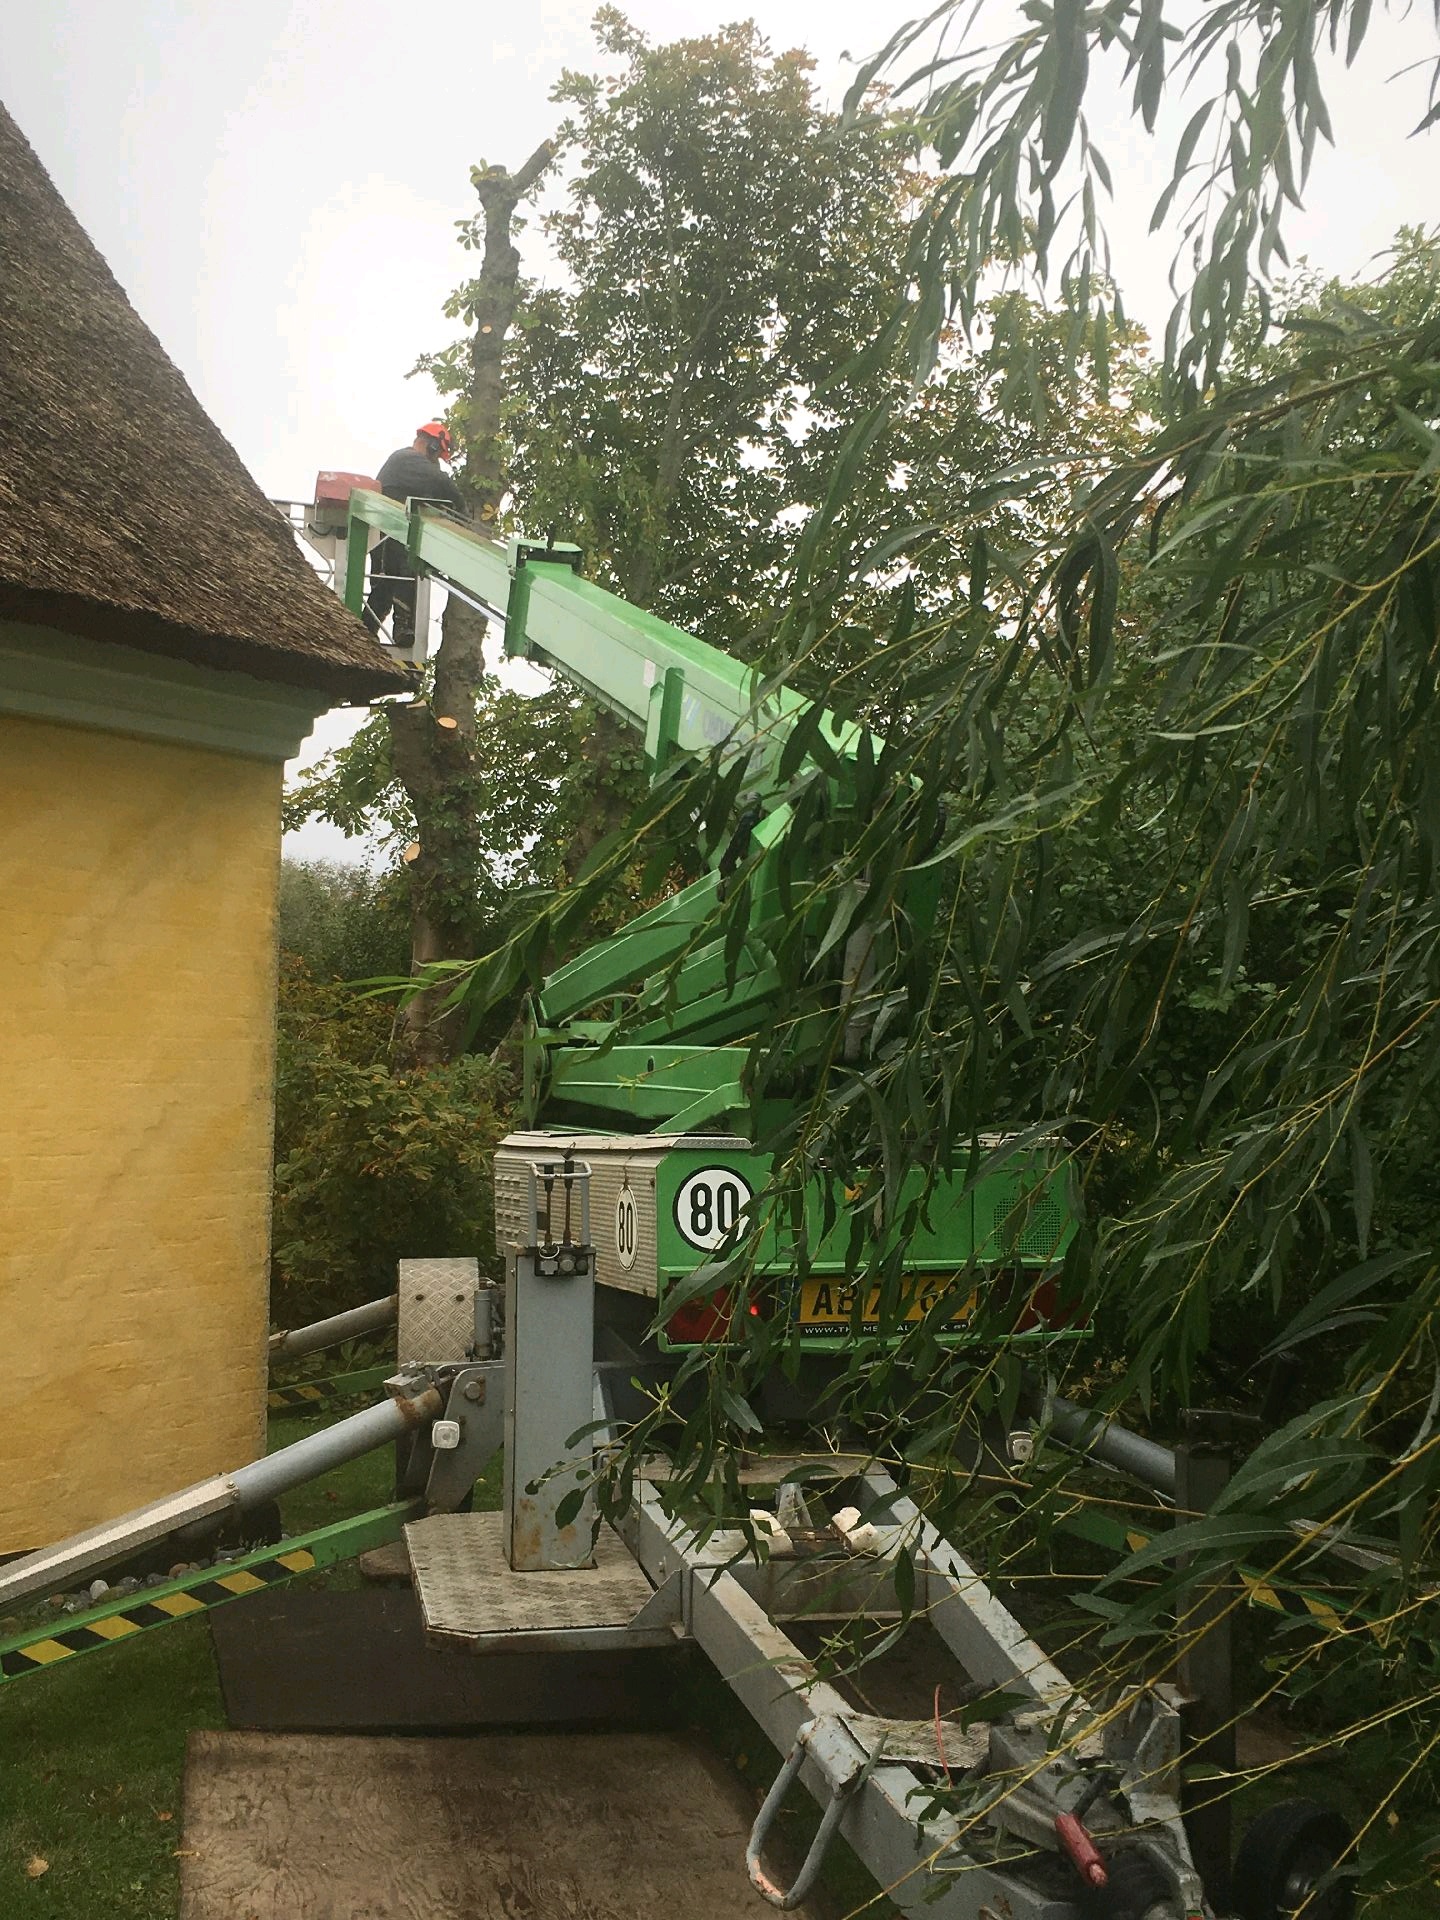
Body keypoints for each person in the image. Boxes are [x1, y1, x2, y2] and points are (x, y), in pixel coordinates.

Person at [363, 422, 463, 646]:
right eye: (436, 455)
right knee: (397, 579)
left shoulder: (414, 470)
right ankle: (396, 628)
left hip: (393, 534)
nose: (436, 461)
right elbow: (442, 483)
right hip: (389, 533)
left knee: (388, 586)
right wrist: (463, 513)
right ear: (431, 445)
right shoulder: (406, 459)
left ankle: (369, 631)